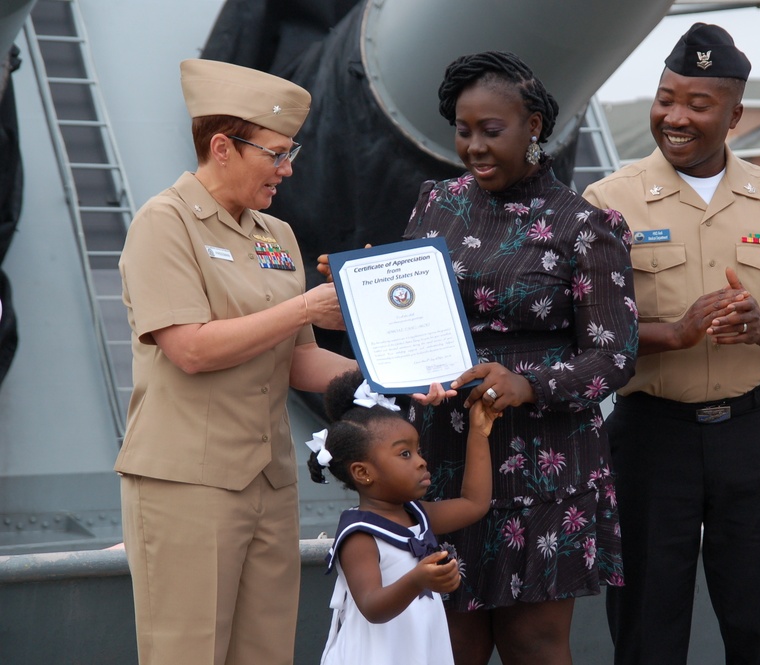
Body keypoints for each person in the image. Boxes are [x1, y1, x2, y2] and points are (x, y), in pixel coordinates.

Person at [582, 23, 760, 665]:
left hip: (753, 434)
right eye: (665, 98)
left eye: (697, 105)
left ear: (734, 114)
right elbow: (587, 333)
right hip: (651, 438)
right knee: (647, 631)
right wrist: (676, 335)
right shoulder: (607, 202)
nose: (674, 117)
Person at [115, 59, 357, 665]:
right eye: (275, 154)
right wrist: (304, 305)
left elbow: (299, 362)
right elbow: (190, 348)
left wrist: (394, 380)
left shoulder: (277, 235)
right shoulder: (163, 223)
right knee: (187, 653)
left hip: (268, 480)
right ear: (222, 147)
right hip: (188, 483)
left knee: (266, 652)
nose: (288, 168)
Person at [402, 51, 638, 665]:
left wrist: (527, 385)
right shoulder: (436, 203)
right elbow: (413, 309)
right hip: (446, 450)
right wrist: (364, 287)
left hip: (543, 462)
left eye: (490, 130)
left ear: (533, 126)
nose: (474, 146)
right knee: (451, 641)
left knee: (533, 643)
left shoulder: (586, 226)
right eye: (462, 130)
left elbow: (615, 357)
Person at [304, 369, 498, 664]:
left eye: (417, 450)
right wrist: (417, 579)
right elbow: (372, 606)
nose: (421, 461)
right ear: (363, 472)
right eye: (405, 454)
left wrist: (479, 433)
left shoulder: (418, 516)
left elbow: (475, 503)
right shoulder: (360, 535)